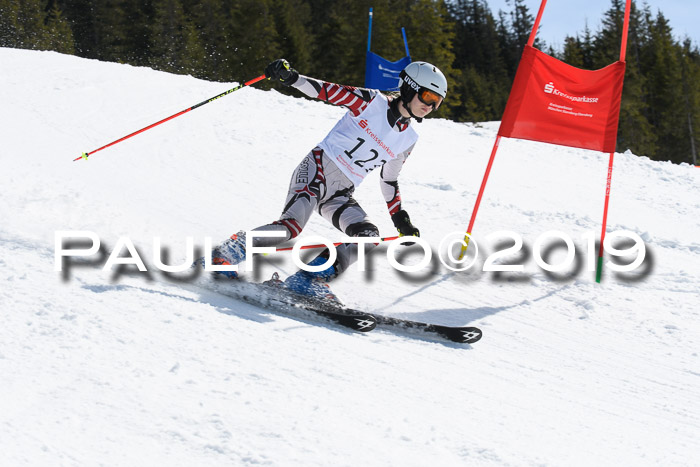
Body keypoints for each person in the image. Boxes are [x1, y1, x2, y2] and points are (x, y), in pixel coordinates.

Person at [208, 58, 448, 300]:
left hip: (340, 193)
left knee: (368, 238)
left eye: (437, 102)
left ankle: (308, 279)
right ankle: (226, 253)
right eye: (428, 96)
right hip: (317, 170)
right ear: (409, 87)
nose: (430, 105)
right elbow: (326, 91)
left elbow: (389, 179)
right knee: (290, 227)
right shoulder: (370, 102)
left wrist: (400, 218)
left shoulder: (408, 139)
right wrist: (292, 78)